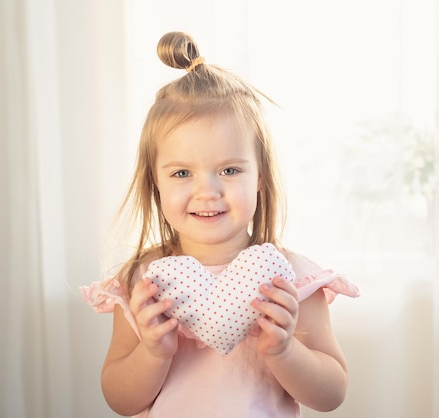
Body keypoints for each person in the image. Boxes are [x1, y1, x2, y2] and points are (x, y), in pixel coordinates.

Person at [80, 31, 360, 417]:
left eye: (228, 170)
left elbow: (332, 394)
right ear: (155, 182)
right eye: (181, 173)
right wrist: (152, 352)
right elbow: (120, 401)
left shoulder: (289, 280)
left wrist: (284, 350)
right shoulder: (143, 282)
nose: (207, 190)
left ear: (259, 177)